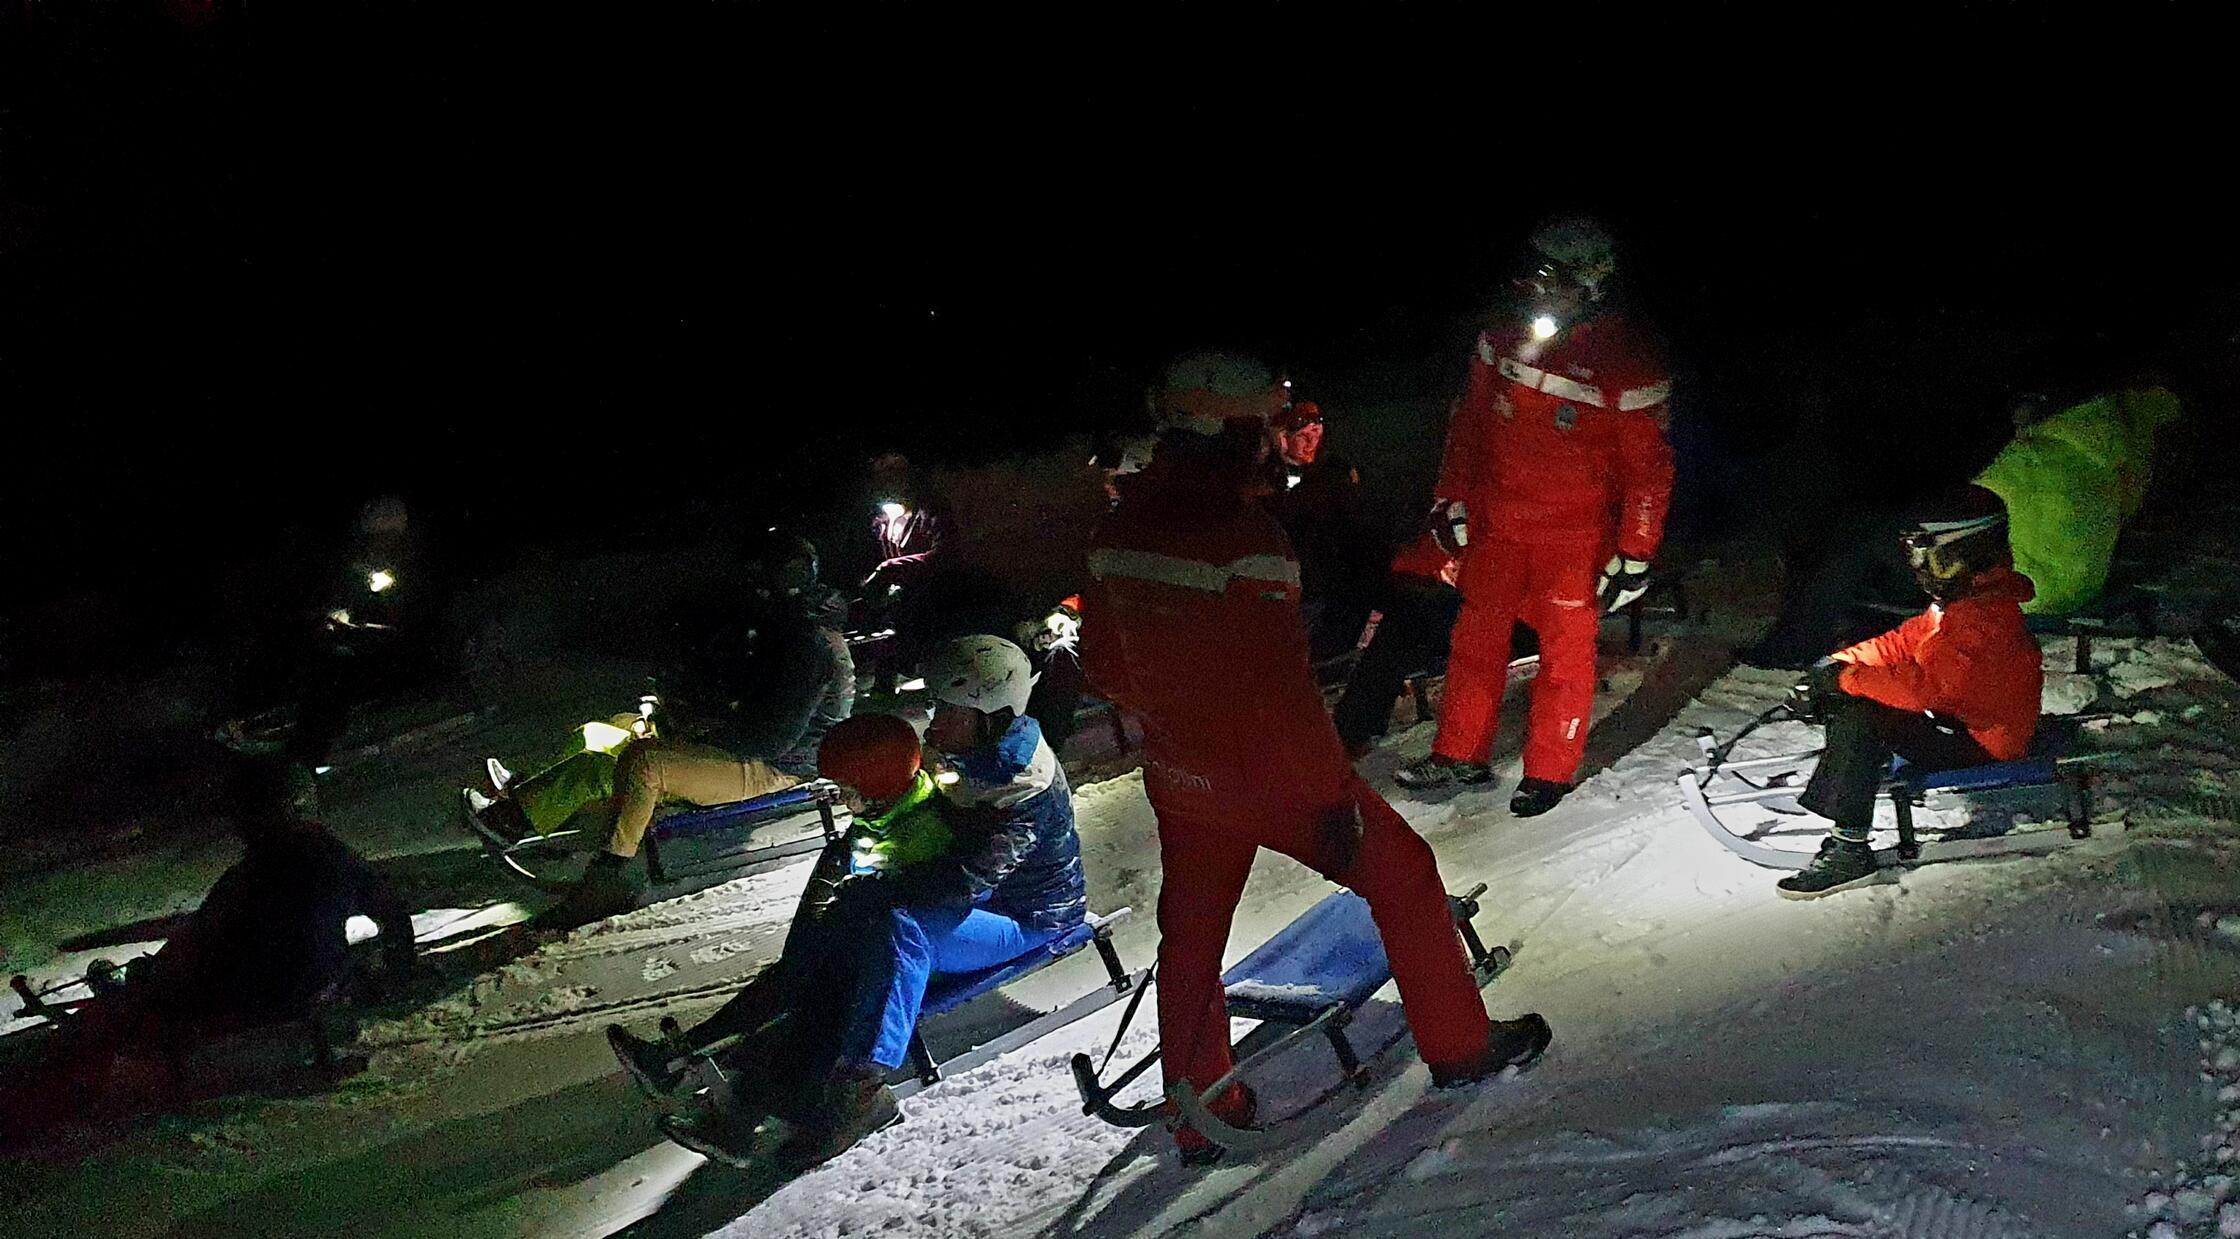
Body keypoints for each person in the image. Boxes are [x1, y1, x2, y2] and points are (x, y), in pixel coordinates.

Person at [1082, 350, 1550, 1164]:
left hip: (1182, 777)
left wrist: (1180, 714)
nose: (1272, 440)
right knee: (1402, 870)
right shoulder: (1246, 536)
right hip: (1273, 775)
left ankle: (1200, 1107)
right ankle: (1460, 1044)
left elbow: (1106, 669)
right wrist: (1328, 796)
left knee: (1190, 936)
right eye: (1262, 426)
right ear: (1230, 429)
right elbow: (1280, 689)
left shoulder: (1117, 531)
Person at [611, 652, 1085, 1169]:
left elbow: (965, 882)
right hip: (979, 900)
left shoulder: (1021, 783)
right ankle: (739, 1098)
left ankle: (860, 1090)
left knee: (898, 931)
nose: (935, 721)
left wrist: (880, 889)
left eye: (948, 709)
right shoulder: (980, 753)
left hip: (1030, 916)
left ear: (987, 712)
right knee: (838, 957)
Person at [1395, 216, 1676, 818]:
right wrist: (1451, 500)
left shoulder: (1628, 363)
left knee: (1565, 655)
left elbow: (1648, 470)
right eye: (1533, 275)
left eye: (1552, 279)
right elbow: (1468, 425)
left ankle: (1550, 769)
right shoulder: (1500, 336)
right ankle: (1457, 754)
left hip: (1572, 538)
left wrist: (1636, 551)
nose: (1535, 289)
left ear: (1592, 284)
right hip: (1497, 524)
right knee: (1474, 642)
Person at [3, 761, 416, 1142]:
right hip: (312, 988)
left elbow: (200, 951)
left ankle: (43, 1087)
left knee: (117, 1020)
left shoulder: (251, 880)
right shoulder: (337, 859)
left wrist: (149, 977)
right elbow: (394, 914)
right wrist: (398, 975)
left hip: (252, 1004)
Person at [463, 532, 854, 926]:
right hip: (754, 746)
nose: (752, 585)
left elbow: (772, 735)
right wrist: (687, 701)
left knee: (642, 761)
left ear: (783, 577)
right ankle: (528, 800)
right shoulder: (787, 628)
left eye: (760, 576)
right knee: (600, 733)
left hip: (780, 765)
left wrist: (699, 732)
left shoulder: (809, 644)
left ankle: (608, 875)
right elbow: (741, 689)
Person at [1744, 382, 2184, 669]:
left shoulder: (2037, 457)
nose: (2017, 417)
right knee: (1883, 538)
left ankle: (1794, 647)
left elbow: (1971, 501)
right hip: (2082, 576)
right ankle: (1846, 614)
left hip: (2029, 584)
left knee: (1862, 544)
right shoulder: (2113, 452)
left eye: (2023, 407)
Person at [1773, 506, 2044, 898]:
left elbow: (1925, 689)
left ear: (1961, 556)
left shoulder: (1982, 620)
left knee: (1864, 710)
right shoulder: (1964, 605)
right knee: (1859, 696)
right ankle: (1856, 767)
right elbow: (1902, 642)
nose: (1919, 567)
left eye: (1926, 556)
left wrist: (1846, 681)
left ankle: (1850, 849)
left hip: (1982, 744)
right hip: (1959, 722)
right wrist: (1840, 663)